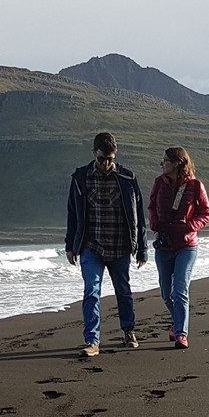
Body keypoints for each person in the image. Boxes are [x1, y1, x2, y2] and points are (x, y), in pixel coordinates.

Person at [65, 132, 148, 357]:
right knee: (91, 291)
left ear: (115, 154)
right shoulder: (81, 177)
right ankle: (92, 341)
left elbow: (138, 215)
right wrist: (69, 245)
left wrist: (142, 248)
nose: (106, 164)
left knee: (123, 291)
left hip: (120, 246)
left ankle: (128, 332)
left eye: (110, 159)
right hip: (91, 246)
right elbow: (73, 214)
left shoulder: (128, 178)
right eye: (102, 159)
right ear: (94, 153)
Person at [148, 147, 209, 349]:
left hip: (187, 245)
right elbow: (151, 206)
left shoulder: (195, 185)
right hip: (164, 245)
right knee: (166, 293)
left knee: (180, 290)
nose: (162, 164)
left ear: (177, 163)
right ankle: (176, 321)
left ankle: (181, 334)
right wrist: (154, 223)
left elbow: (206, 213)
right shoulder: (159, 183)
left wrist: (190, 226)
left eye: (165, 160)